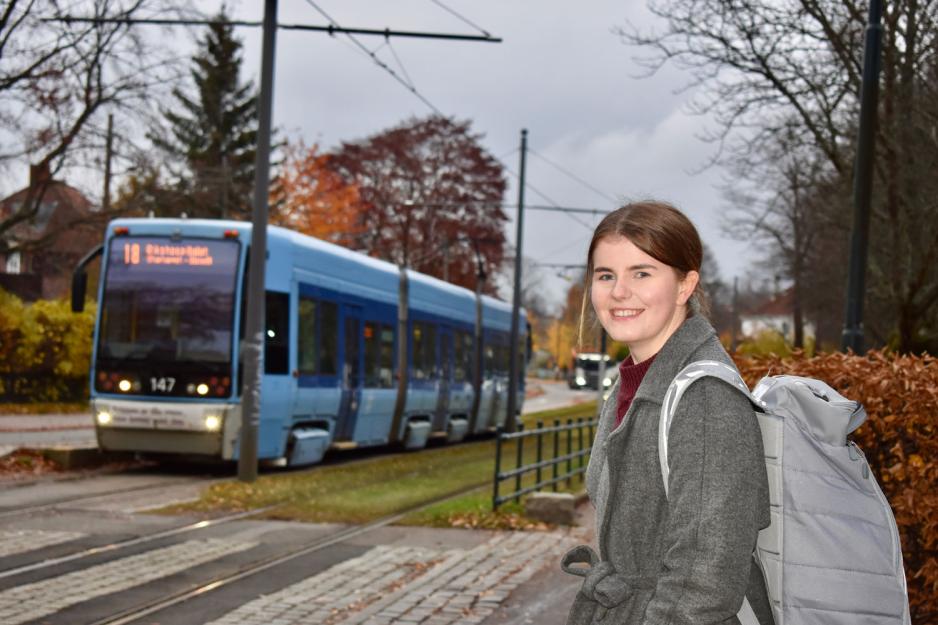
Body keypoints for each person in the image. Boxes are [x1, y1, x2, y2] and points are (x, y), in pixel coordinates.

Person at [562, 201, 774, 625]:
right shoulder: (633, 383)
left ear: (684, 285)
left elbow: (704, 582)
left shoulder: (704, 397)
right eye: (606, 275)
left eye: (641, 273)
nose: (619, 292)